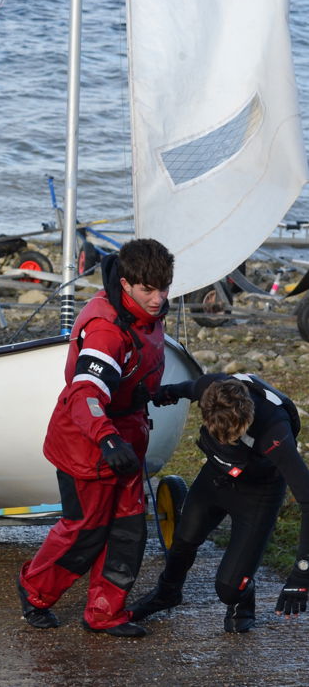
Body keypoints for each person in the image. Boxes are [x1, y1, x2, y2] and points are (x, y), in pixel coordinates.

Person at [17, 238, 174, 637]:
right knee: (85, 532)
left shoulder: (146, 315)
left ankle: (105, 613)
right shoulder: (106, 330)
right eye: (148, 290)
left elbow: (138, 373)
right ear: (125, 285)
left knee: (128, 530)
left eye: (164, 288)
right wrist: (107, 440)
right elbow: (85, 394)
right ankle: (34, 591)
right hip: (88, 442)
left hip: (125, 438)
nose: (158, 299)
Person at [128, 373, 309, 633]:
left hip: (259, 494)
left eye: (233, 436)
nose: (226, 440)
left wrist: (301, 576)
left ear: (248, 419)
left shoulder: (274, 431)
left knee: (228, 589)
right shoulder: (210, 389)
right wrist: (152, 394)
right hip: (216, 477)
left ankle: (243, 597)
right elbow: (180, 389)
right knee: (183, 541)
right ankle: (167, 593)